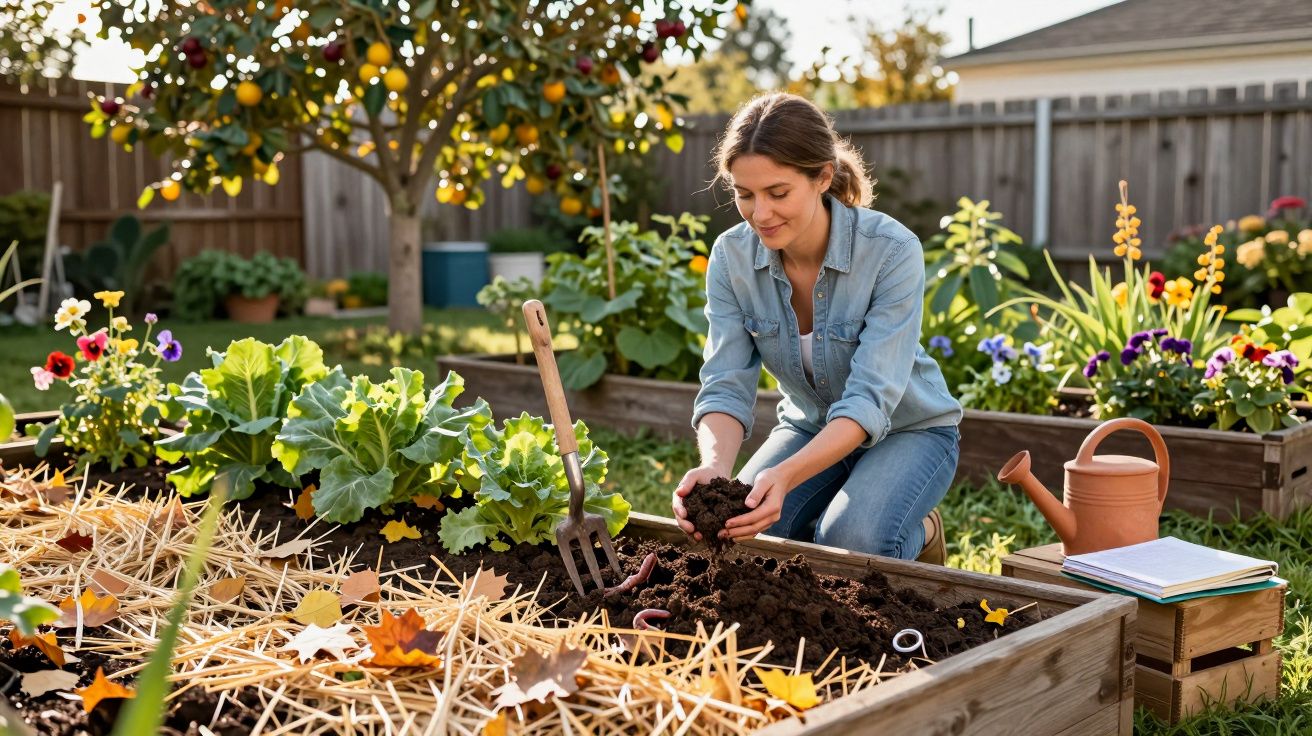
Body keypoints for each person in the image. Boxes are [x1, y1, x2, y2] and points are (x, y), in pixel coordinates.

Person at [671, 92, 963, 561]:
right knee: (739, 534)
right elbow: (725, 384)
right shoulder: (730, 258)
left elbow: (870, 398)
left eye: (778, 193)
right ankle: (833, 508)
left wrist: (786, 477)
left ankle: (920, 531)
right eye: (744, 194)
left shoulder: (890, 251)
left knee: (851, 542)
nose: (760, 213)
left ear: (822, 177)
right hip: (810, 426)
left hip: (911, 431)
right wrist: (715, 468)